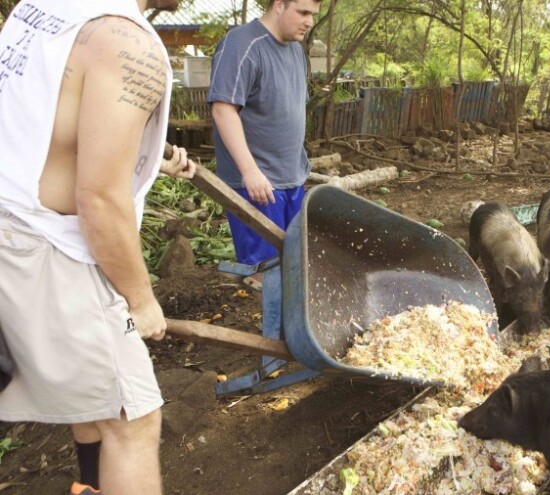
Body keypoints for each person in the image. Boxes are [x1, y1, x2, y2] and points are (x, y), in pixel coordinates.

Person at [0, 1, 195, 494]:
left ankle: (90, 485)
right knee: (133, 419)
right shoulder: (128, 43)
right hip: (42, 245)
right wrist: (141, 298)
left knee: (97, 397)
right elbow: (99, 199)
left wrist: (150, 160)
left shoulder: (46, 8)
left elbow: (45, 121)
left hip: (11, 225)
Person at [208, 0, 322, 287]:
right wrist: (249, 172)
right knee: (264, 272)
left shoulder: (296, 50)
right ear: (279, 5)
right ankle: (264, 328)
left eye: (313, 15)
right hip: (257, 183)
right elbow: (223, 110)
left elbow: (287, 109)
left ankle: (288, 327)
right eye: (303, 12)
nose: (309, 22)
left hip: (291, 177)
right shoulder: (242, 44)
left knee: (293, 264)